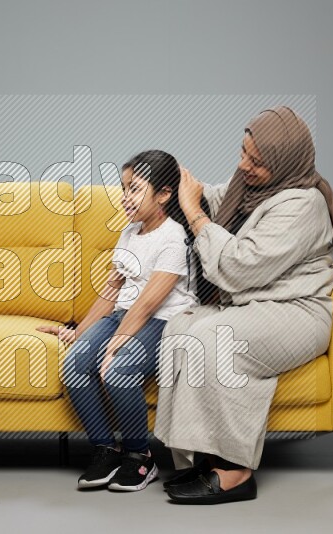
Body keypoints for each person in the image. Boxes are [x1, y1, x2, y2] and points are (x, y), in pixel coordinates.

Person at [154, 106, 333, 505]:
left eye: (256, 161)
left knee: (216, 339)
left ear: (283, 162)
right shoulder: (254, 184)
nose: (244, 165)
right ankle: (202, 454)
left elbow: (239, 266)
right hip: (253, 304)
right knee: (180, 329)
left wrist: (193, 214)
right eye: (243, 153)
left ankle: (235, 472)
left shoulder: (303, 204)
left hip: (296, 309)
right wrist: (174, 181)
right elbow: (215, 198)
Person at [37, 150, 199, 492]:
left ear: (164, 195)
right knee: (75, 365)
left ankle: (140, 457)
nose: (126, 197)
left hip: (163, 321)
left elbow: (149, 302)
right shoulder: (129, 234)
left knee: (119, 369)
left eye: (135, 188)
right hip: (126, 315)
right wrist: (77, 332)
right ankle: (105, 450)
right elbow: (113, 294)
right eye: (124, 188)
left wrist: (115, 345)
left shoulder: (173, 237)